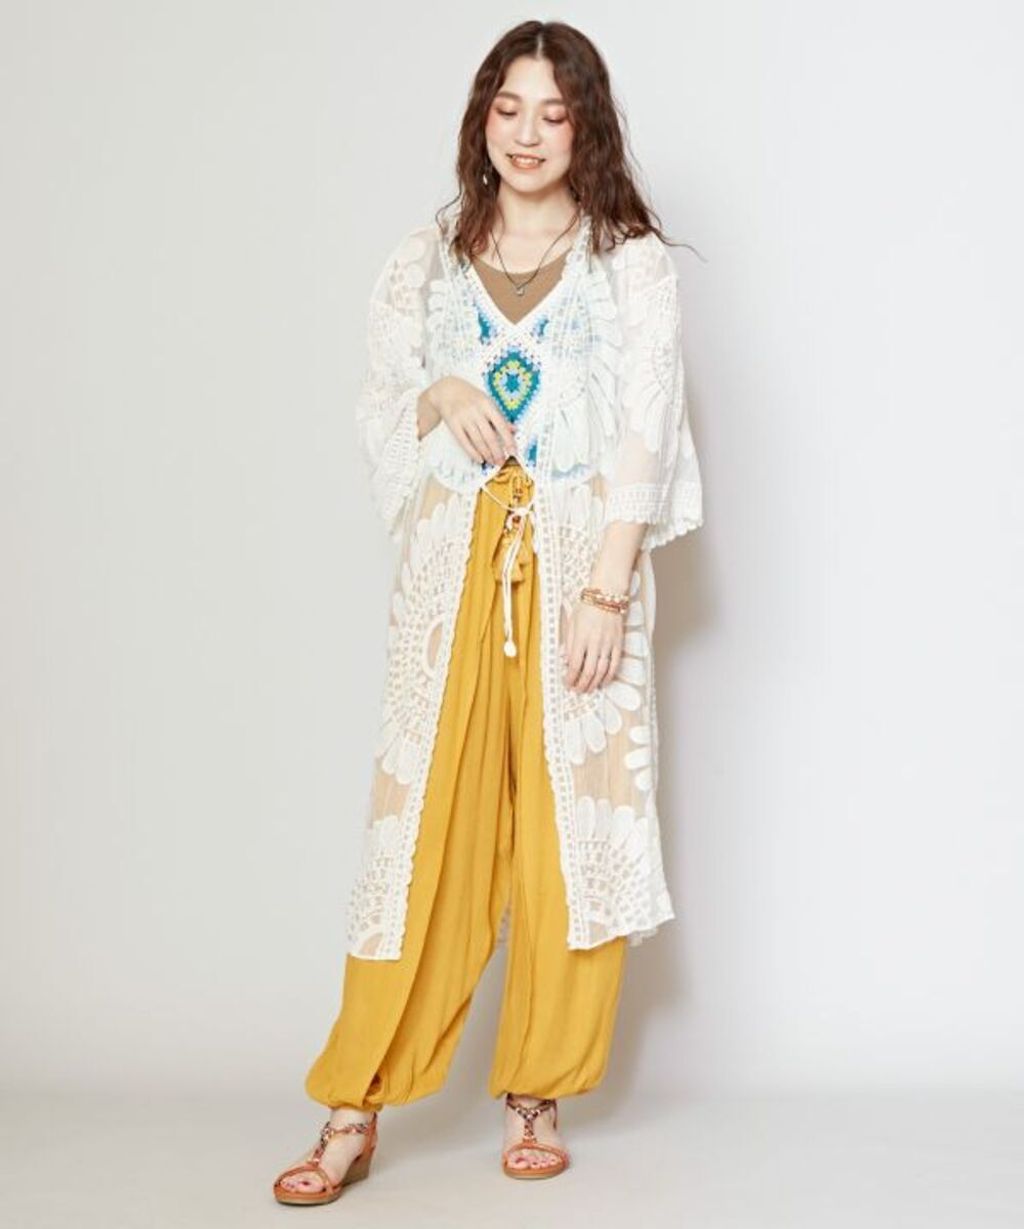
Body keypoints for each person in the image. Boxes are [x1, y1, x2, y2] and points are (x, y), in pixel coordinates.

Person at [272, 18, 703, 1205]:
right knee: (424, 838)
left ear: (585, 128)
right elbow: (383, 405)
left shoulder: (629, 263)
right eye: (508, 109)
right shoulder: (425, 261)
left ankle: (536, 1086)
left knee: (571, 832)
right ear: (481, 119)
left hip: (579, 574)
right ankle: (353, 1100)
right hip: (450, 575)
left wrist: (606, 589)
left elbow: (647, 425)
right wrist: (441, 389)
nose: (527, 134)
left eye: (553, 113)